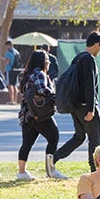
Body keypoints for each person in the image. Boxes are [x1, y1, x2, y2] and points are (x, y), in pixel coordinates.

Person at [51, 31, 100, 175]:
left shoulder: (78, 58)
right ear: (95, 44)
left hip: (75, 106)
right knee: (96, 139)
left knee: (79, 137)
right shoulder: (89, 59)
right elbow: (89, 85)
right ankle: (95, 171)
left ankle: (53, 158)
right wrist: (91, 108)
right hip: (85, 106)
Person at [16, 50, 67, 180]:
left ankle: (21, 172)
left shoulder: (25, 75)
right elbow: (42, 89)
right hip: (40, 114)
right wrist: (56, 96)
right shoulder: (40, 74)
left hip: (27, 114)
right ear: (42, 62)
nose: (49, 63)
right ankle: (51, 170)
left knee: (27, 143)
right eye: (47, 60)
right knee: (53, 137)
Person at [4, 40, 21, 105]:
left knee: (10, 85)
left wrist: (5, 60)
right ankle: (15, 100)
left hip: (9, 69)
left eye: (6, 46)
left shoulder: (8, 52)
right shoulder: (17, 52)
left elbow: (7, 62)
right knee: (15, 85)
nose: (6, 47)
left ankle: (11, 100)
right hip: (16, 70)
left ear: (9, 45)